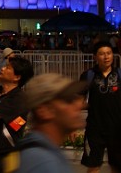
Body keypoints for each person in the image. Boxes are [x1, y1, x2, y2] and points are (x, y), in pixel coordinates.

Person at [15, 73, 88, 173]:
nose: (79, 105)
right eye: (69, 100)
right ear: (45, 110)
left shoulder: (45, 154)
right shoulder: (43, 163)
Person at [78, 40, 121, 173]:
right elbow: (79, 101)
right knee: (93, 167)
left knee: (117, 166)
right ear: (95, 57)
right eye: (102, 54)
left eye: (109, 53)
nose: (106, 56)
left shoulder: (119, 74)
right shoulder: (88, 75)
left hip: (118, 129)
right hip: (95, 129)